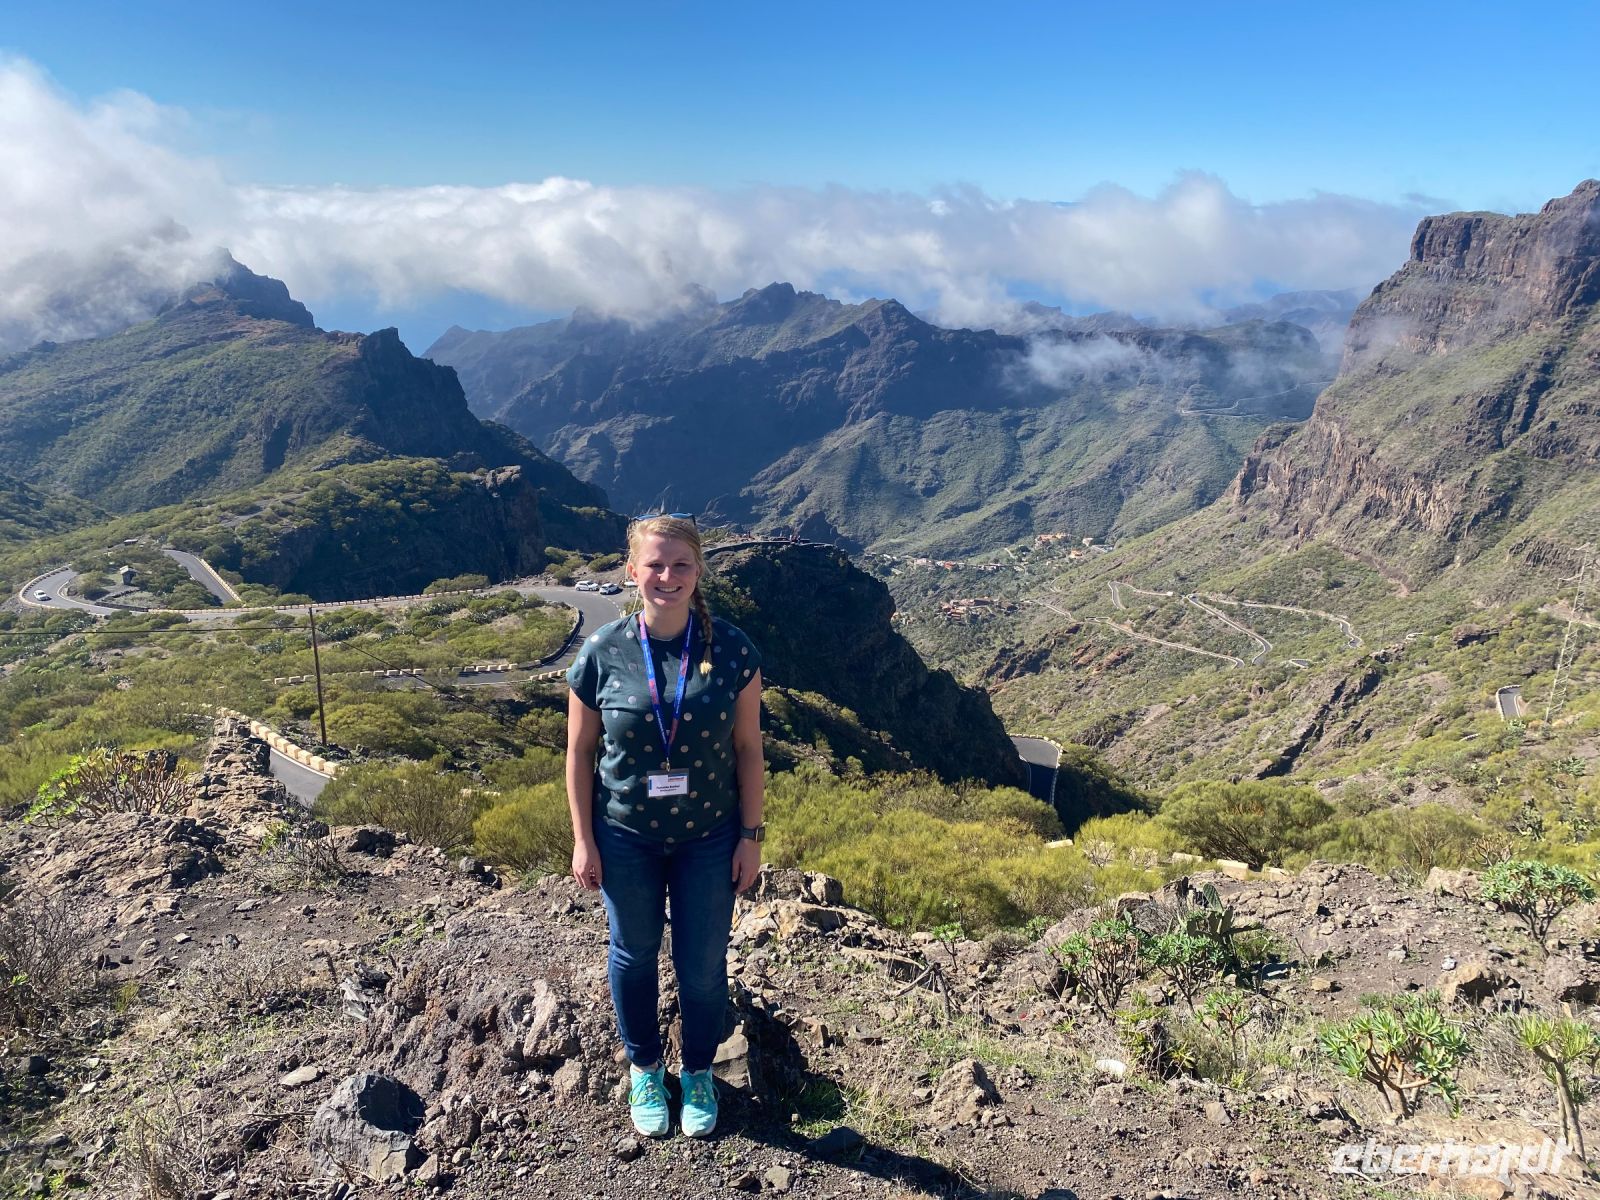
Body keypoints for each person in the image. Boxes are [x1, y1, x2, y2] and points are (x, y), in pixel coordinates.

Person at [564, 515, 765, 1140]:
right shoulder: (602, 653)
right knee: (633, 953)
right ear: (632, 571)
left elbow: (750, 750)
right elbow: (578, 753)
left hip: (709, 834)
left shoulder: (733, 650)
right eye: (655, 564)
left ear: (698, 571)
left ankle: (699, 1068)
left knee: (703, 964)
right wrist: (583, 837)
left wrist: (751, 836)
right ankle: (646, 1068)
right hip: (626, 834)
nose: (667, 576)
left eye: (681, 565)